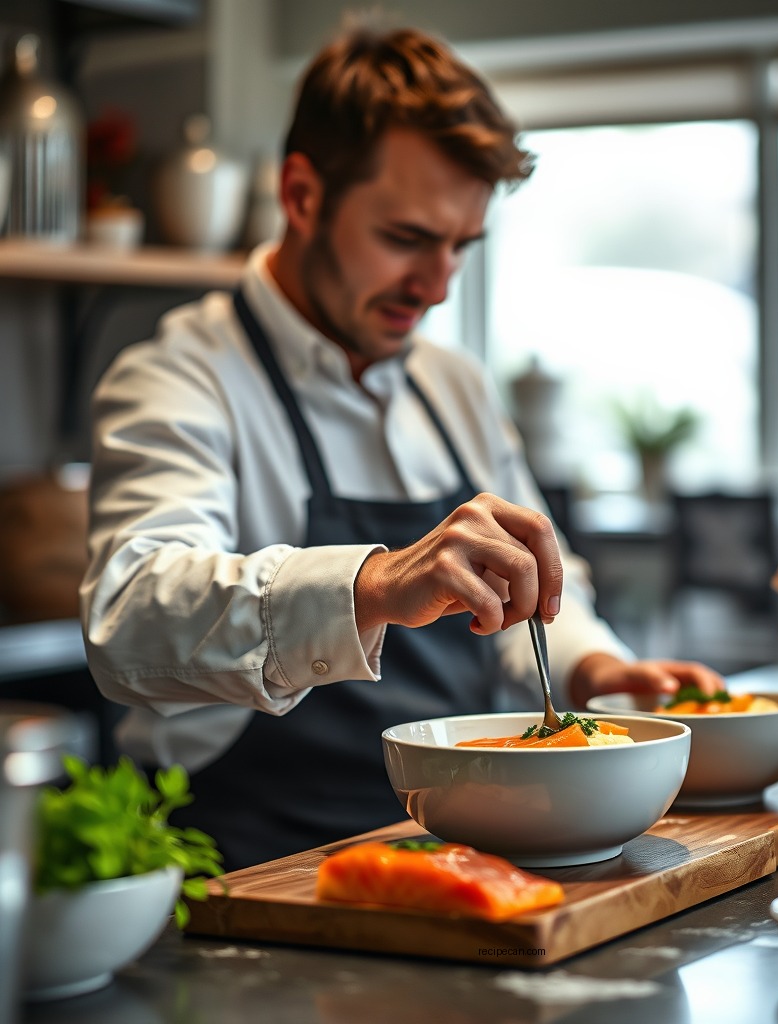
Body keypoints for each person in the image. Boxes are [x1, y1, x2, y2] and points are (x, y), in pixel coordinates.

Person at [80, 19, 724, 871]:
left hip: (466, 846)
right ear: (303, 196)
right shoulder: (178, 376)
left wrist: (594, 671)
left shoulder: (451, 384)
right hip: (255, 868)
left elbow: (527, 601)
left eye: (461, 247)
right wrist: (376, 583)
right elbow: (127, 615)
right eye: (408, 239)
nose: (435, 286)